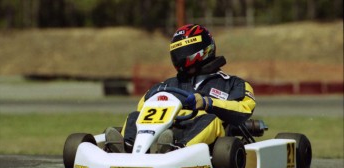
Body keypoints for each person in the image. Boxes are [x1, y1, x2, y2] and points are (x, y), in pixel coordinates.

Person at [105, 24, 256, 153]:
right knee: (135, 116)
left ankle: (176, 150)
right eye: (178, 54)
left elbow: (244, 109)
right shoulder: (167, 85)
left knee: (212, 120)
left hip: (209, 141)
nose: (181, 58)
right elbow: (142, 106)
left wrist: (208, 103)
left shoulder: (233, 84)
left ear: (204, 50)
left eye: (185, 53)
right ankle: (127, 147)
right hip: (166, 131)